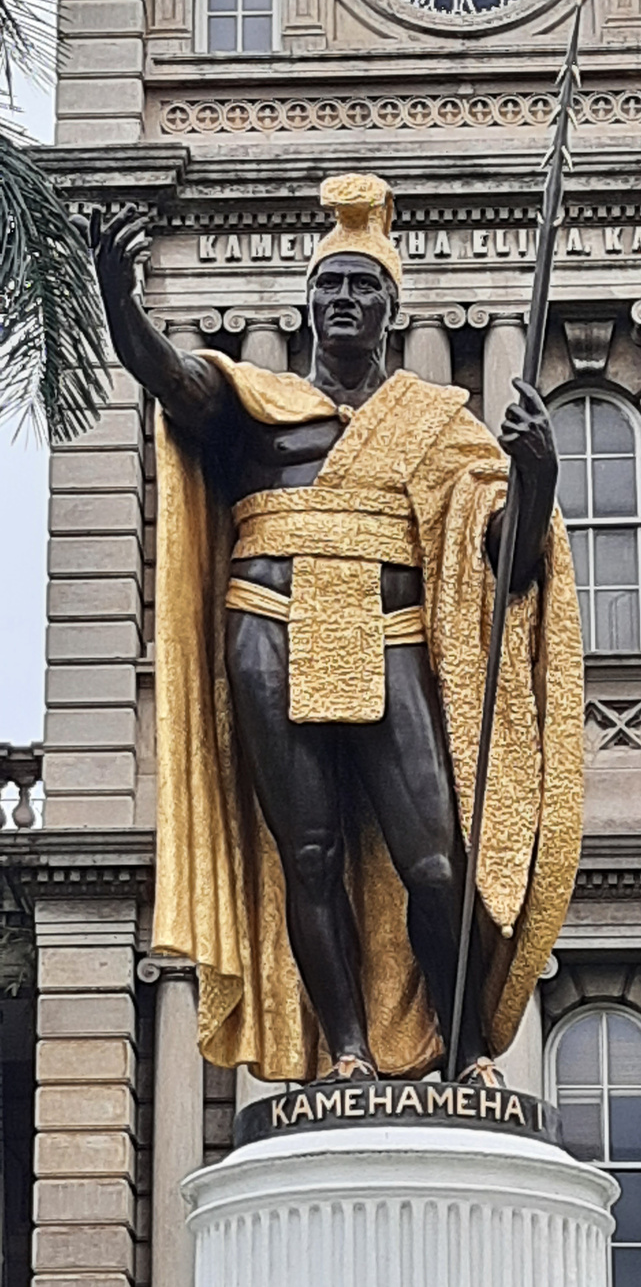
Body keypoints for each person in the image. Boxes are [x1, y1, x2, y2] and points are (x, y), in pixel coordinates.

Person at [87, 173, 584, 1083]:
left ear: (390, 309)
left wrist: (537, 472)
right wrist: (121, 305)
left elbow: (508, 566)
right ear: (308, 304)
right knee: (308, 854)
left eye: (361, 286)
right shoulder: (257, 404)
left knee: (434, 862)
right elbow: (172, 379)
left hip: (390, 631)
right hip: (266, 630)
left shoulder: (438, 426)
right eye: (329, 286)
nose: (343, 299)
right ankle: (346, 1052)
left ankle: (463, 1055)